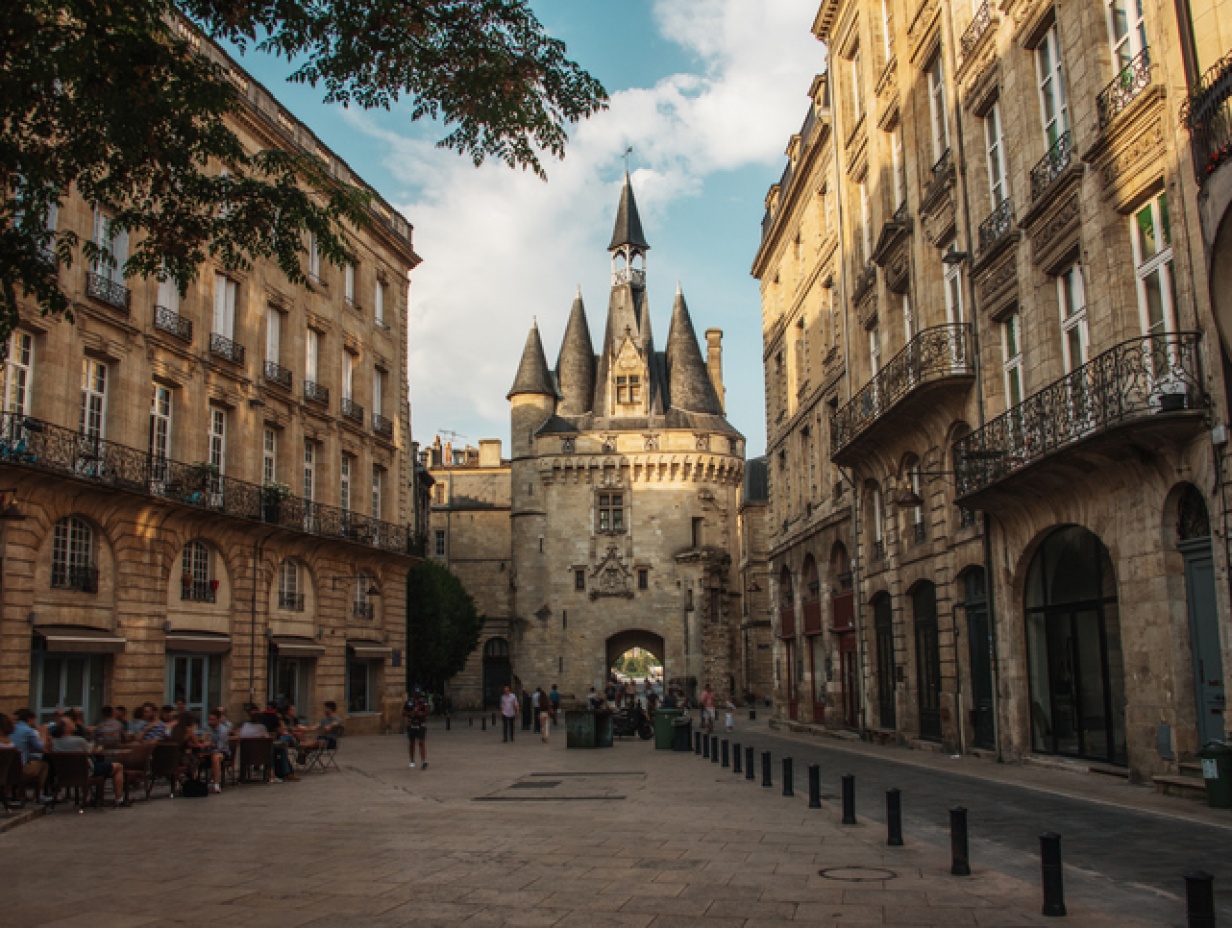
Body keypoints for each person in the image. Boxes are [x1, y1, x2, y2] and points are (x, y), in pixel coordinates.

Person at [50, 720, 127, 807]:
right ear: (66, 728)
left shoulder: (54, 742)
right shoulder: (79, 741)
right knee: (118, 767)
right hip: (86, 773)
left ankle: (91, 796)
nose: (74, 723)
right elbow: (91, 750)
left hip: (64, 774)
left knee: (99, 765)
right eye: (71, 723)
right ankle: (119, 799)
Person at [12, 709, 50, 802]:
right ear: (29, 719)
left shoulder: (11, 728)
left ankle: (21, 793)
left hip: (7, 767)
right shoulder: (28, 731)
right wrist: (43, 733)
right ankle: (37, 795)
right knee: (44, 765)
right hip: (20, 768)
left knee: (28, 763)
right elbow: (43, 749)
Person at [402, 688, 428, 769]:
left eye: (418, 694)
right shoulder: (409, 702)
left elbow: (427, 712)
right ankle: (412, 760)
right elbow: (403, 712)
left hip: (420, 724)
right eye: (416, 694)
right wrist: (411, 713)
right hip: (411, 724)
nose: (417, 696)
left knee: (421, 742)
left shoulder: (423, 702)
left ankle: (423, 760)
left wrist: (421, 713)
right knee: (412, 743)